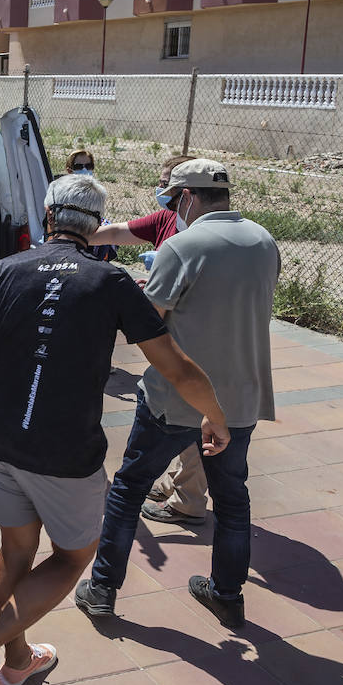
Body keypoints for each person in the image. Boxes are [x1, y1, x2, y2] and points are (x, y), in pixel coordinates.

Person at [0, 173, 229, 685]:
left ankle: (18, 660)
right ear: (95, 226)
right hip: (64, 452)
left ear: (48, 216)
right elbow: (175, 367)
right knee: (74, 558)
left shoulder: (4, 271)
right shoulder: (111, 282)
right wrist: (215, 414)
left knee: (15, 549)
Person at [76, 159, 279, 629]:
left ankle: (103, 588)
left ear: (186, 198)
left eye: (172, 200)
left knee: (127, 489)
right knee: (232, 498)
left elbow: (149, 327)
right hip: (240, 399)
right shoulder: (264, 241)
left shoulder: (181, 246)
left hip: (176, 398)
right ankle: (227, 594)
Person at [88, 154, 202, 517]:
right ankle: (179, 481)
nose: (160, 190)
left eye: (167, 183)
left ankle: (189, 503)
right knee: (182, 409)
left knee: (191, 411)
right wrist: (76, 236)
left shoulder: (206, 234)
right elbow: (118, 232)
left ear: (187, 193)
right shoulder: (168, 219)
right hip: (170, 332)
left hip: (196, 335)